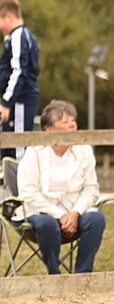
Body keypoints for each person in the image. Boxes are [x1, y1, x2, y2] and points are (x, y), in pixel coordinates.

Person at [16, 100, 105, 274]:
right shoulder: (34, 152)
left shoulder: (84, 150)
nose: (72, 124)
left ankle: (82, 275)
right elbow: (28, 192)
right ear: (49, 130)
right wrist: (60, 215)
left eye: (73, 120)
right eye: (65, 122)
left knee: (96, 219)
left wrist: (75, 213)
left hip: (74, 212)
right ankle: (54, 274)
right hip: (41, 213)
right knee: (47, 223)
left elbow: (91, 189)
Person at [0, 0, 40, 158]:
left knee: (18, 147)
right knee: (9, 144)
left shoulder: (18, 36)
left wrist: (7, 102)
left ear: (9, 17)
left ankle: (18, 175)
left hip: (20, 99)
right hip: (18, 99)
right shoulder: (22, 36)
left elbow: (18, 71)